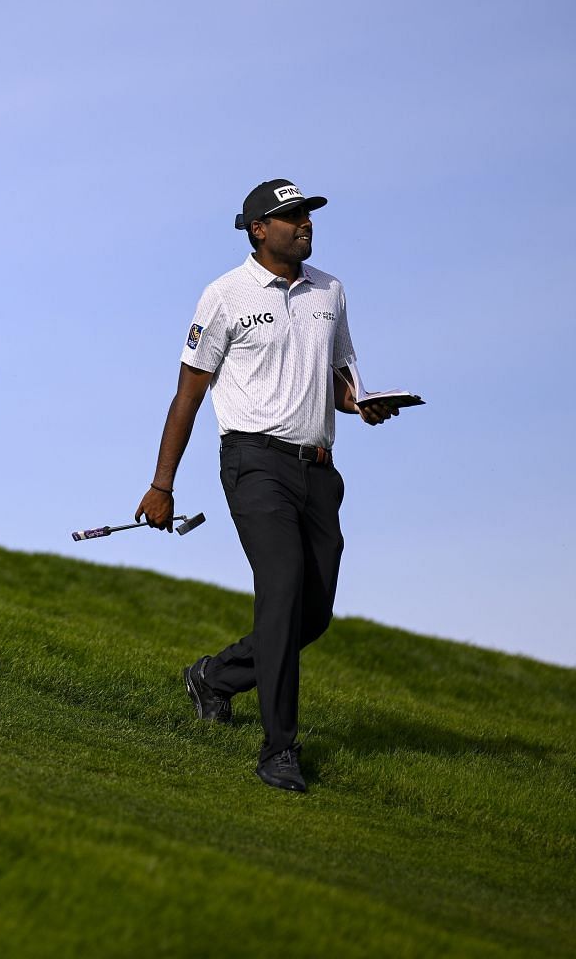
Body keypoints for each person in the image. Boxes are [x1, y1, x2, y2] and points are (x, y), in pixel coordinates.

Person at [134, 179, 399, 794]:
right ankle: (279, 751)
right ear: (258, 228)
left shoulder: (330, 291)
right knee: (280, 592)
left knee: (313, 613)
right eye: (292, 216)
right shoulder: (224, 296)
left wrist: (362, 403)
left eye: (308, 214)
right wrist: (161, 484)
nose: (305, 223)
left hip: (319, 469)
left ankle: (215, 678)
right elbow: (189, 394)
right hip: (253, 463)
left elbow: (339, 378)